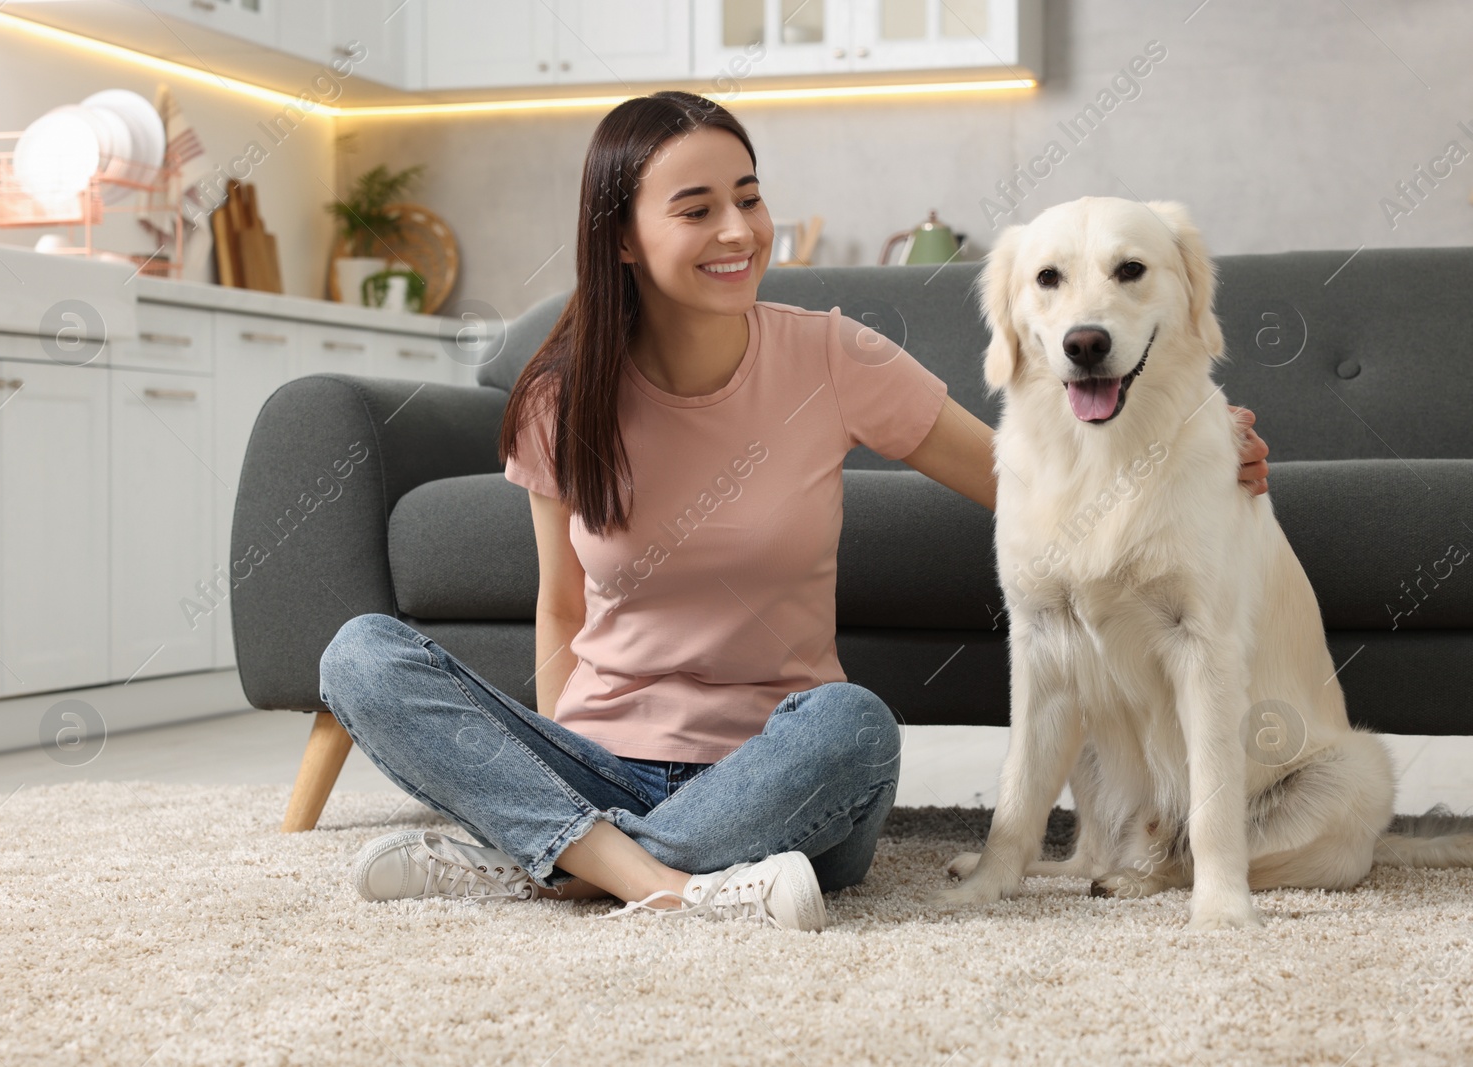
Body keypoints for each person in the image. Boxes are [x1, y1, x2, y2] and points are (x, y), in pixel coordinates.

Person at [318, 90, 1273, 932]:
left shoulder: (831, 357)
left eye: (749, 197)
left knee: (857, 724)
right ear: (621, 235)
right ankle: (652, 878)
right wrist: (552, 764)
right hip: (601, 756)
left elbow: (1020, 474)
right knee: (358, 653)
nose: (739, 231)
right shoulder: (560, 398)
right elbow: (561, 611)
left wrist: (1176, 444)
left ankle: (554, 860)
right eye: (697, 209)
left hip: (787, 766)